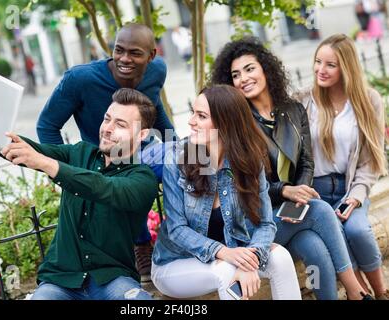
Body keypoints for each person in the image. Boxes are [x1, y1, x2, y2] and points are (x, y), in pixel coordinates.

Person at [0, 23, 175, 282]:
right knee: (115, 186)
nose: (124, 58)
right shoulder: (80, 79)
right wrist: (55, 169)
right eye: (119, 50)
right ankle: (140, 242)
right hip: (98, 159)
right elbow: (47, 125)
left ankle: (180, 239)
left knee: (190, 163)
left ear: (151, 56)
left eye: (135, 53)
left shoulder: (158, 70)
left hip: (143, 150)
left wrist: (173, 143)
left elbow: (155, 106)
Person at [211, 37, 373, 300]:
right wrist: (287, 192)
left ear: (265, 68)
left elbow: (306, 162)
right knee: (320, 209)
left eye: (250, 69)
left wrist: (300, 195)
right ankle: (355, 291)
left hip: (291, 210)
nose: (244, 78)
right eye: (236, 75)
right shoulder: (237, 124)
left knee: (315, 248)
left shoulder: (294, 110)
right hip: (257, 222)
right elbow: (247, 184)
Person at [0, 88, 159, 300]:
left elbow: (105, 187)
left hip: (111, 280)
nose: (108, 129)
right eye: (107, 119)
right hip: (61, 281)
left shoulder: (142, 178)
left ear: (142, 134)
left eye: (120, 124)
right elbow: (26, 150)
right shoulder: (79, 153)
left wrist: (48, 164)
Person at [152, 85, 302, 300]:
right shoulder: (177, 159)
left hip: (233, 254)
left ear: (226, 123)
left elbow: (266, 224)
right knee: (227, 272)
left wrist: (251, 257)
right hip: (177, 263)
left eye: (201, 116)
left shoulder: (249, 162)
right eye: (193, 112)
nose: (191, 121)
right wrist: (226, 254)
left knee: (281, 259)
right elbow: (177, 229)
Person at [302, 34, 388, 300]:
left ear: (347, 68)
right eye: (318, 62)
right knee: (338, 236)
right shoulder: (304, 99)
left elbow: (370, 160)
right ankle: (361, 294)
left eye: (331, 64)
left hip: (349, 188)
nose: (321, 69)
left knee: (358, 230)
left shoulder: (368, 100)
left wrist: (356, 195)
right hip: (316, 193)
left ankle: (381, 290)